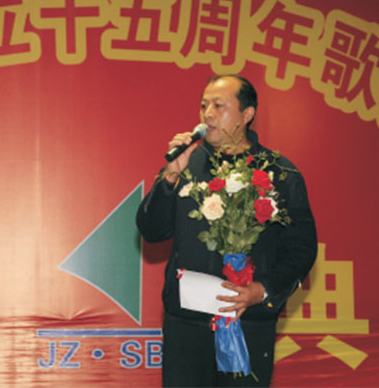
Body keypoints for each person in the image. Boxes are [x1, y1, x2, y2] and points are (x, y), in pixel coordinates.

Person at [136, 75, 318, 387]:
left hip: (248, 323)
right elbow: (151, 230)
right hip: (187, 326)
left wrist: (263, 289)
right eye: (203, 106)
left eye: (218, 106)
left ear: (247, 114)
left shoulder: (279, 173)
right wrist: (170, 176)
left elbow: (301, 249)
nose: (207, 114)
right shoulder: (187, 165)